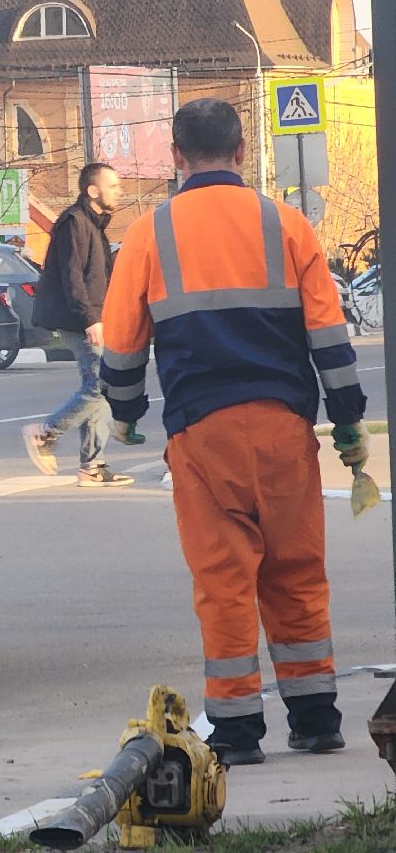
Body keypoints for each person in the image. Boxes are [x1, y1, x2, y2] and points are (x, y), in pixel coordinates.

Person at [99, 98, 367, 766]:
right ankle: (316, 718)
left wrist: (125, 413)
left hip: (203, 431)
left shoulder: (149, 235)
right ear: (243, 152)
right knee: (297, 571)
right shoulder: (288, 225)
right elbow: (329, 335)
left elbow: (124, 346)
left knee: (224, 579)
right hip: (283, 426)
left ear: (177, 157)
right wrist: (350, 419)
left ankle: (240, 730)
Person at [22, 162, 136, 487]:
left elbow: (99, 275)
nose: (119, 190)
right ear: (92, 191)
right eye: (112, 185)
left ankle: (93, 466)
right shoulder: (75, 222)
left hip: (94, 316)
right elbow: (72, 275)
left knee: (102, 388)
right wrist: (90, 319)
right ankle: (46, 434)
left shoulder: (94, 224)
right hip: (79, 317)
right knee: (100, 384)